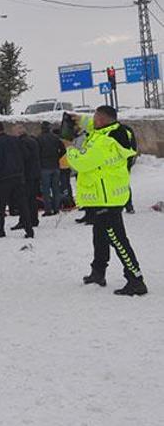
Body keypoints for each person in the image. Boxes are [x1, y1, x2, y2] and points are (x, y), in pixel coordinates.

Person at [68, 106, 146, 295]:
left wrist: (70, 149)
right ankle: (98, 271)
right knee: (100, 235)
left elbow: (82, 163)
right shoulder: (118, 131)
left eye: (95, 117)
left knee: (117, 239)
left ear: (102, 119)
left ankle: (136, 280)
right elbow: (87, 125)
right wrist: (72, 121)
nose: (92, 120)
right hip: (108, 196)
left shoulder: (105, 141)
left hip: (106, 198)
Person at [0, 122, 34, 239]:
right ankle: (29, 230)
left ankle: (0, 230)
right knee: (23, 205)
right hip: (18, 177)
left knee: (0, 206)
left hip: (2, 179)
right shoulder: (16, 140)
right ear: (3, 129)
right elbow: (26, 155)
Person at [12, 125, 41, 231]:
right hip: (35, 173)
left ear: (19, 132)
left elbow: (24, 157)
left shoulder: (22, 142)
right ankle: (34, 219)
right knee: (32, 198)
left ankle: (24, 220)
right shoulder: (33, 141)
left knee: (24, 199)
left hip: (27, 174)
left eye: (14, 132)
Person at [38, 121, 66, 216]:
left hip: (44, 166)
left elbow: (37, 153)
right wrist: (57, 157)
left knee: (46, 190)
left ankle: (48, 209)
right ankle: (56, 208)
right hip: (55, 165)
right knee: (56, 188)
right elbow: (63, 150)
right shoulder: (55, 138)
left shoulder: (39, 139)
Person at [123, 124, 138, 214]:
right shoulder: (127, 129)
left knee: (124, 183)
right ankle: (128, 206)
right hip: (126, 160)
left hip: (123, 161)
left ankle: (128, 205)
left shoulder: (125, 130)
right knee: (124, 183)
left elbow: (133, 145)